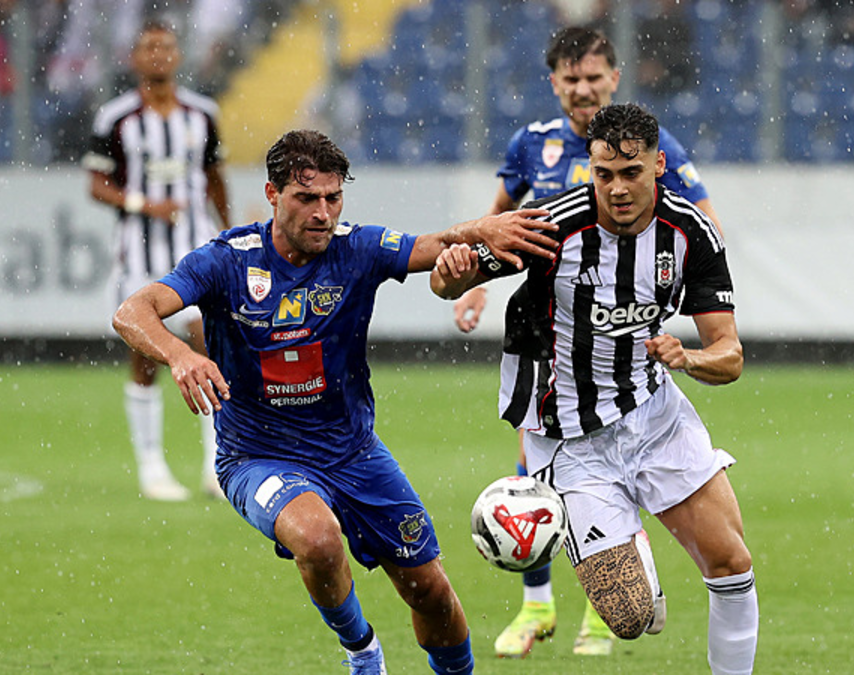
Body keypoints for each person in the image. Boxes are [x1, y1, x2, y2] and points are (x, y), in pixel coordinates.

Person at [111, 129, 559, 674]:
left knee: (430, 591)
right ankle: (362, 651)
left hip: (353, 453)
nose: (323, 212)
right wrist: (181, 356)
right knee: (318, 540)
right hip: (258, 458)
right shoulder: (227, 261)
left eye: (333, 197)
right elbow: (133, 311)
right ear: (273, 195)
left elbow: (434, 246)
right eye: (307, 198)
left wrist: (479, 229)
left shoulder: (357, 250)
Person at [432, 103, 759, 674]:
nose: (618, 189)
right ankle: (628, 546)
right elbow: (445, 281)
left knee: (731, 563)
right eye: (604, 174)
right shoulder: (549, 226)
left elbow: (729, 357)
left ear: (659, 165)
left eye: (631, 173)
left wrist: (689, 357)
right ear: (591, 168)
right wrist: (454, 272)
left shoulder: (691, 235)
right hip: (569, 442)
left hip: (654, 417)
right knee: (631, 620)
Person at [84, 19, 231, 501]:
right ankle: (152, 464)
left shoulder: (201, 115)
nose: (159, 55)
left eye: (166, 47)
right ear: (135, 58)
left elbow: (214, 177)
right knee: (147, 357)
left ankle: (215, 462)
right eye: (149, 48)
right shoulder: (116, 118)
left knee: (208, 347)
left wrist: (226, 231)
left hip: (195, 249)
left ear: (177, 56)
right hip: (141, 255)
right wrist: (144, 205)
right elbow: (96, 185)